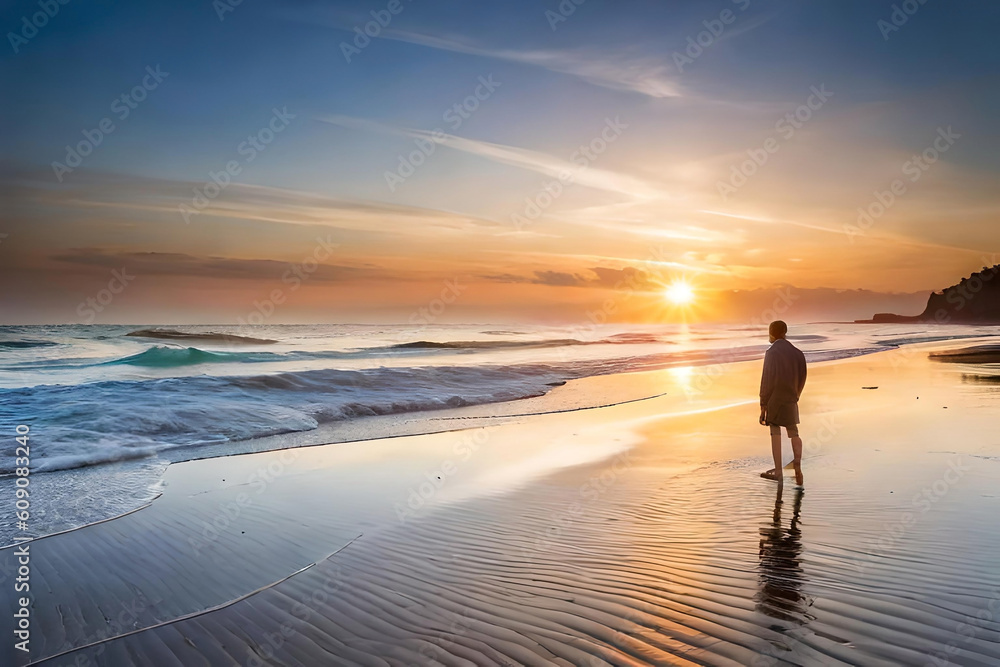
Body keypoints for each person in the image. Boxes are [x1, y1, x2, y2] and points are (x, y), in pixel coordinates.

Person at [758, 320, 806, 485]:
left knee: (775, 430)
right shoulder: (798, 353)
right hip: (791, 397)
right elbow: (803, 376)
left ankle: (778, 471)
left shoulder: (772, 352)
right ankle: (797, 461)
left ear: (772, 332)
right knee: (793, 431)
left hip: (775, 399)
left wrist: (763, 405)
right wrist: (796, 395)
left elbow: (767, 379)